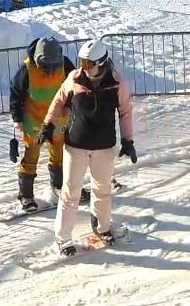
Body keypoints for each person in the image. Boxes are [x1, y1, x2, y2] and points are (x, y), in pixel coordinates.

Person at [43, 39, 135, 256]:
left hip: (104, 146)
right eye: (82, 62)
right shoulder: (74, 79)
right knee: (70, 191)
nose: (84, 67)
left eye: (88, 63)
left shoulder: (117, 83)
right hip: (76, 145)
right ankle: (63, 239)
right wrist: (49, 125)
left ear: (101, 63)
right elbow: (58, 101)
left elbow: (125, 112)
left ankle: (102, 227)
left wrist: (128, 140)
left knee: (102, 189)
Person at [9, 38, 74, 212]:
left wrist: (73, 108)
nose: (50, 70)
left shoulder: (66, 65)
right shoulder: (26, 70)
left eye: (54, 66)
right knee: (31, 155)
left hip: (58, 119)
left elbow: (75, 88)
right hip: (34, 119)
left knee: (59, 154)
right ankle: (26, 196)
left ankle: (58, 188)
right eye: (45, 65)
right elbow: (16, 94)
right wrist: (17, 118)